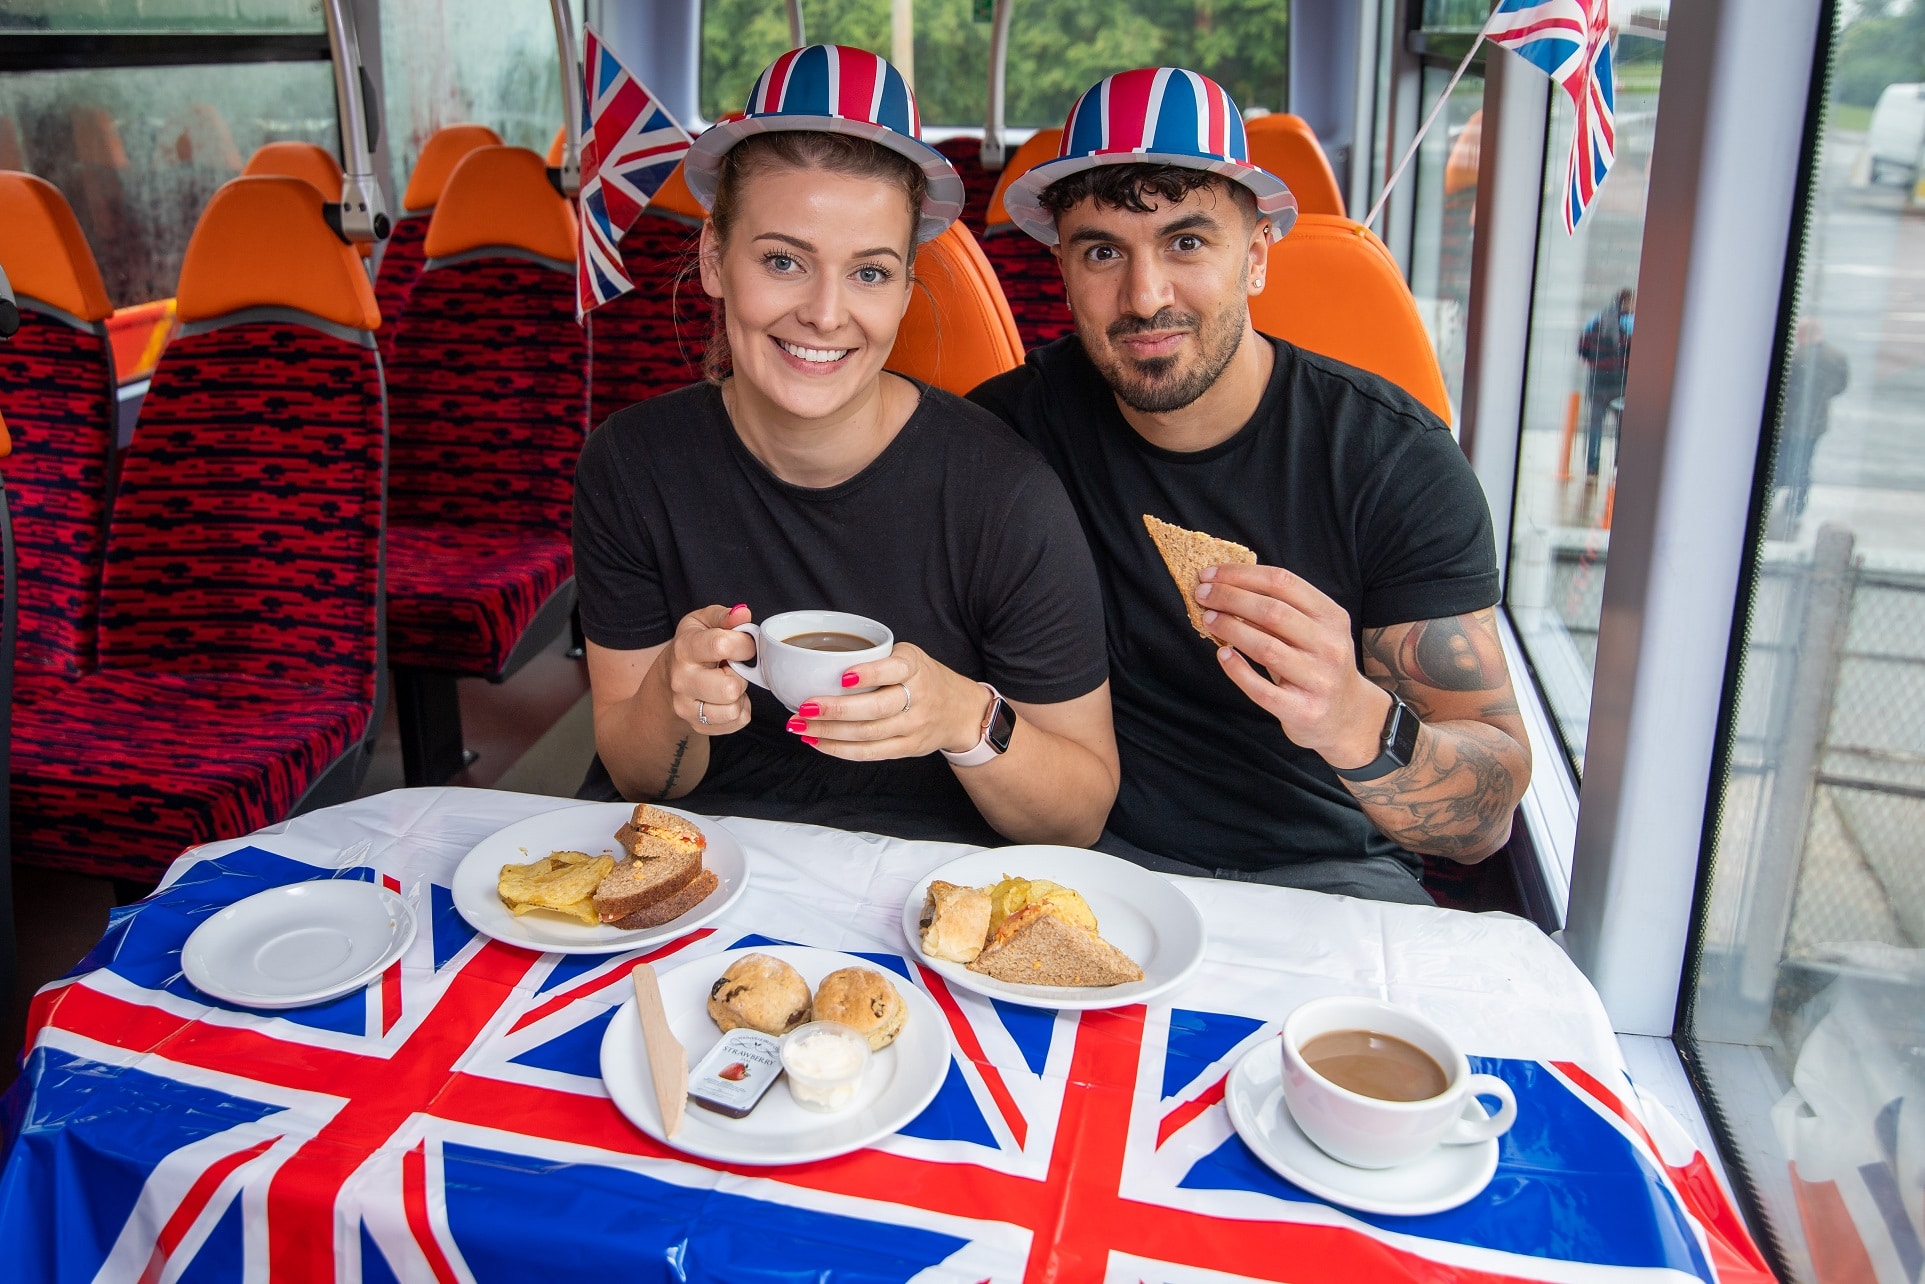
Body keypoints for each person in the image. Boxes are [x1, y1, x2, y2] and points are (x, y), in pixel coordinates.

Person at [969, 68, 1530, 904]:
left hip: (1328, 876)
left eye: (1187, 243)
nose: (1144, 295)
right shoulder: (1004, 436)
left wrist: (1351, 717)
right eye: (1101, 251)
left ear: (1257, 256)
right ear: (1060, 267)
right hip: (1076, 870)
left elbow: (1484, 821)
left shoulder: (1391, 462)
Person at [571, 46, 1118, 847]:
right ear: (715, 261)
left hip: (918, 892)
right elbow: (641, 779)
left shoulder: (1004, 496)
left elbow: (1078, 817)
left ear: (904, 289)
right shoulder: (630, 465)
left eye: (868, 273)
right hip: (704, 875)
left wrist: (965, 717)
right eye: (784, 261)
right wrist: (668, 700)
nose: (825, 314)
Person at [1776, 317, 1849, 529]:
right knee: (1805, 464)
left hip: (1790, 423)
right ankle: (1796, 505)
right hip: (1816, 424)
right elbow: (1840, 386)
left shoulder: (1796, 357)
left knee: (1781, 462)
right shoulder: (1837, 357)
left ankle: (1776, 499)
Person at [1577, 289, 1634, 478]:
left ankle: (1592, 466)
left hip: (1597, 382)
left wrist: (1597, 363)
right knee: (1623, 427)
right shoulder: (1631, 323)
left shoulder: (1597, 320)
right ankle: (1619, 463)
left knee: (1595, 426)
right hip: (1620, 383)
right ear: (1627, 303)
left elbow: (1582, 348)